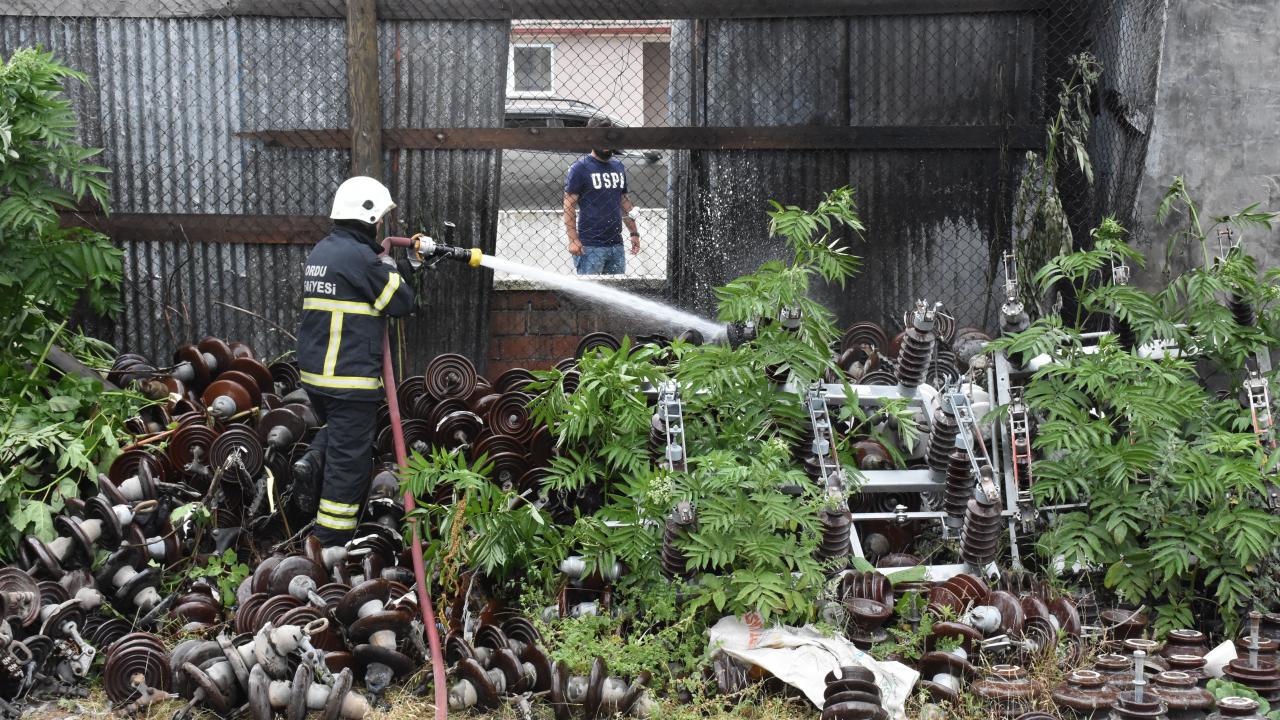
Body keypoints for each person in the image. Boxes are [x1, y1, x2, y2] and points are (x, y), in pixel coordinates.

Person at [290, 176, 416, 546]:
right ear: (369, 217)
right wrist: (400, 266)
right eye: (380, 219)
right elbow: (401, 301)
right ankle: (329, 542)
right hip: (349, 380)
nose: (382, 226)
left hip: (317, 377)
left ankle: (310, 462)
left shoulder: (323, 251)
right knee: (350, 463)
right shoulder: (361, 258)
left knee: (343, 437)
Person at [563, 116, 641, 275]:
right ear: (591, 139)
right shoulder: (580, 168)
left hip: (616, 245)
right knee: (589, 298)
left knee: (615, 295)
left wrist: (634, 233)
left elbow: (623, 200)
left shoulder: (618, 166)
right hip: (591, 246)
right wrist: (573, 240)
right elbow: (569, 204)